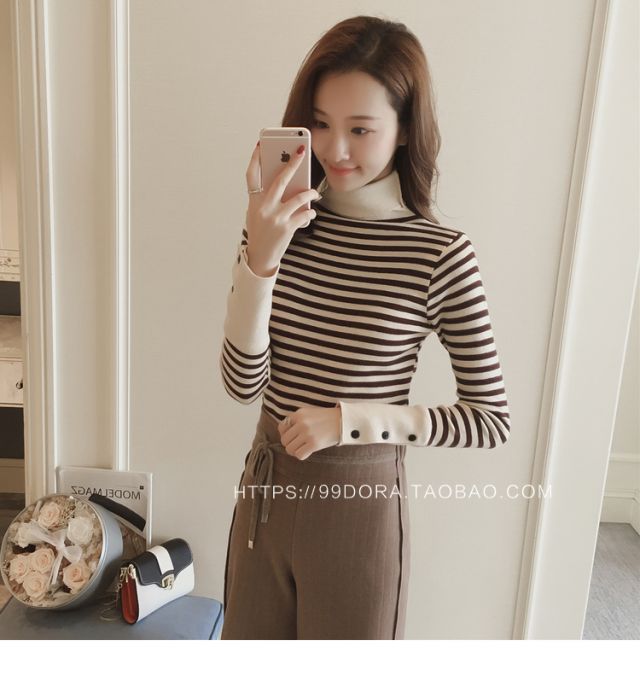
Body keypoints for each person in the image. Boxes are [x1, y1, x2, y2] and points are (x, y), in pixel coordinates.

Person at [219, 15, 510, 640]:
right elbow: (242, 385)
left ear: (404, 131)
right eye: (320, 123)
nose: (335, 150)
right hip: (266, 493)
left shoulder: (440, 254)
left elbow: (490, 419)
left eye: (360, 129)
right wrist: (261, 256)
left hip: (359, 505)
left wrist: (350, 420)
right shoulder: (279, 225)